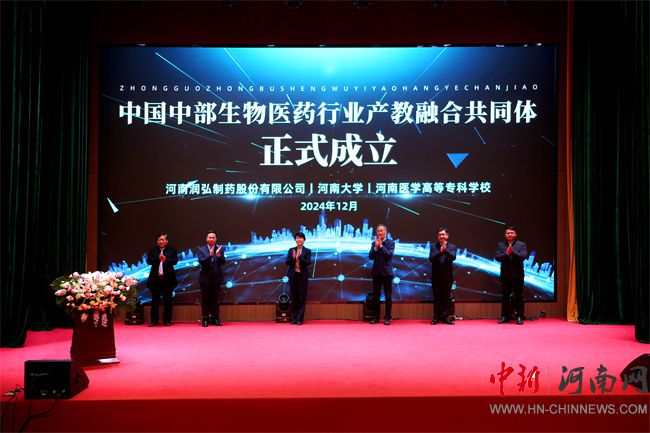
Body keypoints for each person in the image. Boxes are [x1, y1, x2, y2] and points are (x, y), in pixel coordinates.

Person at [495, 225, 529, 325]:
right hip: (505, 275)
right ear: (505, 235)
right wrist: (506, 254)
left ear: (515, 234)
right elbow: (497, 257)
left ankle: (519, 317)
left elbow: (523, 256)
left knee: (518, 296)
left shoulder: (521, 245)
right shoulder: (500, 245)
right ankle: (505, 316)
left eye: (512, 233)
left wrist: (512, 251)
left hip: (518, 275)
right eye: (508, 233)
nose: (510, 234)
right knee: (505, 296)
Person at [146, 233, 178, 326]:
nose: (161, 241)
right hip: (155, 279)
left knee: (168, 301)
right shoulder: (153, 250)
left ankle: (167, 320)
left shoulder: (172, 250)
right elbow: (149, 261)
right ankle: (154, 321)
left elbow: (175, 261)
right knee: (154, 301)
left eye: (163, 239)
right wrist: (158, 258)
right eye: (159, 240)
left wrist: (165, 260)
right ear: (157, 241)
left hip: (168, 279)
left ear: (167, 241)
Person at [197, 230, 226, 327]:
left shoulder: (220, 249)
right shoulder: (201, 249)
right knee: (205, 299)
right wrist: (210, 256)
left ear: (216, 239)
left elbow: (223, 262)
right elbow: (201, 261)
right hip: (205, 278)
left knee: (215, 299)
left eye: (213, 237)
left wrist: (218, 255)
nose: (211, 239)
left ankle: (215, 318)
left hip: (217, 278)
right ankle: (205, 319)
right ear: (206, 239)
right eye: (210, 237)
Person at [429, 227, 457, 325]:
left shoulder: (452, 247)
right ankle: (436, 317)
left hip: (447, 277)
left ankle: (445, 317)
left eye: (443, 234)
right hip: (436, 277)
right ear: (438, 236)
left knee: (446, 297)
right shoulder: (433, 247)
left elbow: (453, 257)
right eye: (440, 235)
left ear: (447, 236)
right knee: (436, 297)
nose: (441, 236)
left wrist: (445, 251)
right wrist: (440, 251)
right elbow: (431, 258)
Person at [368, 224, 395, 325]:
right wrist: (375, 247)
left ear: (385, 232)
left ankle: (387, 317)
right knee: (376, 296)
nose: (379, 232)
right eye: (378, 231)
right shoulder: (373, 243)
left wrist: (381, 246)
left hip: (387, 273)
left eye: (381, 231)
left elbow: (389, 254)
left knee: (388, 296)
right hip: (376, 273)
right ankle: (375, 317)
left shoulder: (391, 243)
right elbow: (370, 256)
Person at [285, 232, 312, 325]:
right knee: (294, 297)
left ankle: (299, 319)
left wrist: (300, 257)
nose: (299, 239)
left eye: (301, 238)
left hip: (302, 276)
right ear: (295, 240)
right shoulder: (291, 250)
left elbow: (308, 263)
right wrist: (293, 258)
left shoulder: (307, 251)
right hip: (293, 276)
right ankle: (294, 318)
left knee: (301, 298)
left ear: (304, 240)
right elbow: (287, 262)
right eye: (297, 238)